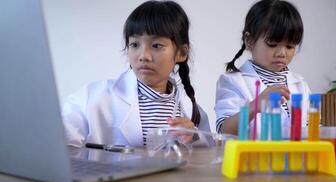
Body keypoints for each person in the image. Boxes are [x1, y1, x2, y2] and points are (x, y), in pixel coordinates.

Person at [62, 0, 212, 147]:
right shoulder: (92, 98)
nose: (143, 56)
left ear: (181, 53)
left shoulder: (190, 109)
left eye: (156, 45)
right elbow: (61, 143)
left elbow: (208, 152)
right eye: (134, 44)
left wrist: (194, 138)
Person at [215, 0, 311, 138]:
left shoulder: (300, 84)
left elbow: (311, 129)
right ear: (249, 41)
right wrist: (255, 105)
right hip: (251, 159)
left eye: (290, 46)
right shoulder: (232, 82)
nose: (282, 53)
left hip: (293, 159)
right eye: (272, 44)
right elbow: (224, 130)